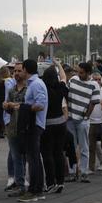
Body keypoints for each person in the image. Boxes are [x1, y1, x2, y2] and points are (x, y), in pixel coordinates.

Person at [17, 59, 48, 201]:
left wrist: (26, 108)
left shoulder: (36, 84)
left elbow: (40, 104)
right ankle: (38, 189)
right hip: (33, 124)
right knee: (34, 158)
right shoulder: (34, 83)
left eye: (21, 70)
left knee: (33, 158)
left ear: (25, 70)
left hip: (34, 125)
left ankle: (34, 190)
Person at [65, 62, 98, 183]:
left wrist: (86, 116)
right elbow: (66, 94)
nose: (79, 74)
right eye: (78, 72)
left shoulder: (94, 85)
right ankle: (73, 171)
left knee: (84, 147)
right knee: (71, 147)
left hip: (82, 119)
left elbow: (93, 103)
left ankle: (84, 172)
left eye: (82, 73)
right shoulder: (73, 79)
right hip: (70, 118)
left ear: (88, 73)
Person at [39, 64, 68, 194]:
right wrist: (59, 65)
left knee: (47, 154)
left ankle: (50, 182)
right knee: (59, 153)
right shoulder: (61, 87)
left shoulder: (43, 89)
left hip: (47, 124)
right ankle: (60, 181)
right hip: (61, 122)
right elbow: (64, 77)